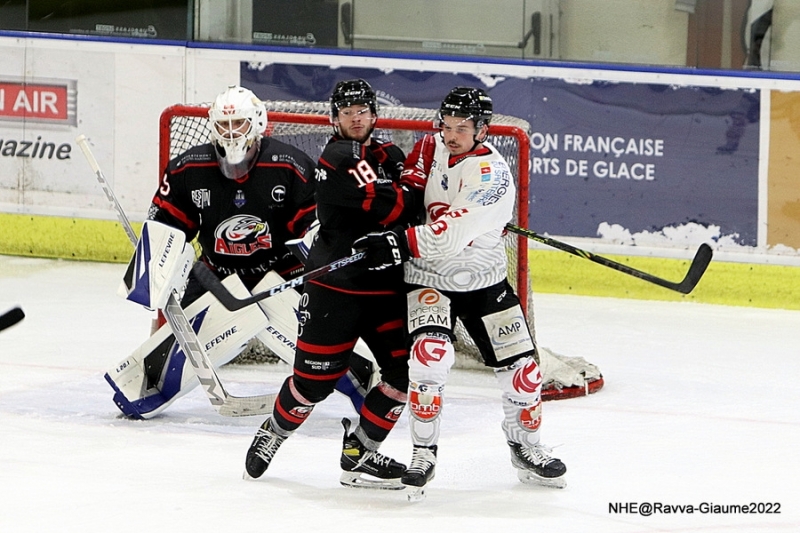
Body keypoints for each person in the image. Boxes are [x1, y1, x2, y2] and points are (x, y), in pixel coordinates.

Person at [106, 85, 374, 419]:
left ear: (258, 123)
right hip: (217, 274)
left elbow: (314, 228)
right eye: (224, 125)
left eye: (240, 124)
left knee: (320, 338)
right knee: (174, 343)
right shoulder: (188, 168)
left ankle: (363, 384)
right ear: (213, 125)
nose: (232, 133)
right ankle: (145, 384)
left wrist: (323, 259)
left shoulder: (289, 165)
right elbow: (167, 226)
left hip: (281, 273)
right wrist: (154, 269)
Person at [354, 87, 567, 495]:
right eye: (446, 126)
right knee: (427, 359)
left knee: (524, 374)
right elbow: (409, 198)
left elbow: (449, 235)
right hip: (429, 277)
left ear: (482, 130)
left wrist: (398, 243)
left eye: (461, 129)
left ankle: (527, 448)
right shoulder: (427, 148)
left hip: (483, 279)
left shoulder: (493, 176)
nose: (449, 135)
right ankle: (423, 452)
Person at [243, 79, 423, 489]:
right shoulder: (340, 155)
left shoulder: (387, 152)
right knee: (313, 383)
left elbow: (414, 202)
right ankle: (274, 431)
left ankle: (359, 452)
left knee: (403, 374)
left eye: (362, 111)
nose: (355, 118)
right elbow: (395, 204)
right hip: (335, 289)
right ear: (335, 118)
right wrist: (408, 191)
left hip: (383, 290)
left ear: (374, 114)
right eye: (347, 112)